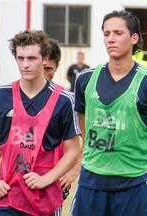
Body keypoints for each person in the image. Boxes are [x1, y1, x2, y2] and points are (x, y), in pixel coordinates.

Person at [70, 10, 147, 216]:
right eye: (106, 34)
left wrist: (128, 145)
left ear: (134, 38)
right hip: (91, 182)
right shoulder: (85, 79)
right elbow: (83, 122)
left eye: (118, 33)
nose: (111, 39)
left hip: (132, 184)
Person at [0, 29, 81, 216]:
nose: (25, 65)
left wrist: (47, 179)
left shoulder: (64, 100)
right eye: (20, 58)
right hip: (6, 197)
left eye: (32, 58)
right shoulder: (0, 96)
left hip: (44, 200)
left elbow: (73, 149)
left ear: (45, 58)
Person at [44, 37, 82, 201]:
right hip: (15, 184)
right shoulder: (8, 97)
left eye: (48, 69)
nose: (43, 75)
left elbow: (89, 140)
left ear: (57, 67)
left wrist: (72, 171)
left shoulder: (67, 101)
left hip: (53, 181)